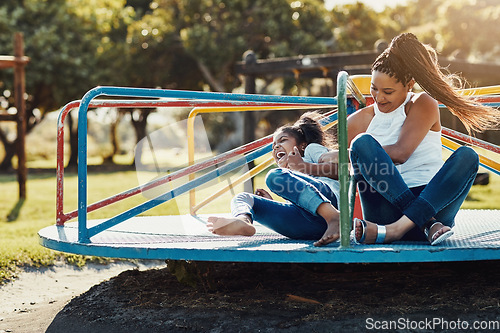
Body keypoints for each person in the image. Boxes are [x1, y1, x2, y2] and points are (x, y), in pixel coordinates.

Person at [348, 32, 499, 245]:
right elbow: (341, 170)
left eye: (388, 91)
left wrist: (348, 155)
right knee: (361, 144)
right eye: (374, 88)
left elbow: (401, 153)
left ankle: (397, 230)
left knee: (468, 156)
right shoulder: (357, 121)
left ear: (409, 85)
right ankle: (424, 223)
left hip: (432, 203)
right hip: (388, 214)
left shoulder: (423, 103)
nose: (379, 97)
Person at [207, 112, 342, 246]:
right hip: (309, 227)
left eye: (283, 140)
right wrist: (271, 203)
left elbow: (339, 170)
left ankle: (334, 217)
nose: (276, 146)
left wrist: (303, 166)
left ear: (302, 145)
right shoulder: (288, 173)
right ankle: (243, 220)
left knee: (273, 176)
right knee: (242, 198)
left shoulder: (310, 150)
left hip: (331, 202)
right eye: (273, 146)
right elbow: (305, 201)